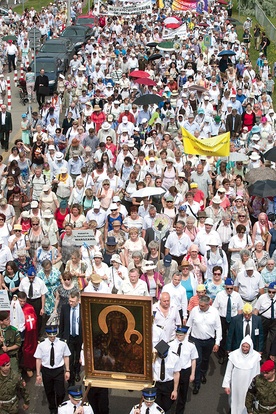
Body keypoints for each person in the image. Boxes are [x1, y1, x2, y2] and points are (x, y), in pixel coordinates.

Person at [186, 295, 222, 394]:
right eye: (199, 305)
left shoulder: (214, 312)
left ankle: (202, 374)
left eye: (202, 306)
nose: (200, 307)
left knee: (205, 359)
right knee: (198, 361)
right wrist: (186, 338)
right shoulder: (194, 310)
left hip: (209, 341)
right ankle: (197, 384)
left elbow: (218, 328)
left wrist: (217, 342)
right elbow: (189, 325)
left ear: (208, 305)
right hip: (196, 340)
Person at [34, 325, 71, 414]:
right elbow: (38, 359)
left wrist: (67, 370)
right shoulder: (41, 344)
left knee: (60, 392)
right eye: (50, 336)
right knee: (49, 391)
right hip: (47, 370)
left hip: (58, 370)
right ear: (46, 334)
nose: (52, 338)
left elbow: (66, 356)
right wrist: (38, 374)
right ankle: (52, 409)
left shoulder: (62, 343)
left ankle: (60, 407)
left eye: (54, 335)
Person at [222, 336, 261, 414]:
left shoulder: (256, 357)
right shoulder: (234, 355)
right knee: (235, 402)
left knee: (247, 403)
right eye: (243, 346)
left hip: (248, 386)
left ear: (250, 347)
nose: (244, 348)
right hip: (236, 385)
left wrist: (258, 387)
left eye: (247, 347)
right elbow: (228, 371)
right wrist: (226, 385)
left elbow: (257, 373)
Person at [213, 278, 244, 364]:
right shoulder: (220, 295)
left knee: (233, 336)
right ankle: (222, 355)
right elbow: (215, 308)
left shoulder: (237, 296)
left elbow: (240, 309)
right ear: (225, 287)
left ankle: (231, 353)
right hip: (222, 318)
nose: (229, 290)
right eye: (228, 288)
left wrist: (239, 320)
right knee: (222, 336)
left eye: (231, 288)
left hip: (233, 318)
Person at [170, 326, 198, 414]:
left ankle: (179, 411)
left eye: (181, 335)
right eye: (177, 334)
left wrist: (192, 374)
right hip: (173, 371)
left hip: (185, 370)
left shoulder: (191, 345)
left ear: (185, 335)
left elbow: (193, 360)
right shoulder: (170, 344)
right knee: (172, 390)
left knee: (183, 393)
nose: (179, 336)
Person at [59, 291, 82, 386]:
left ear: (78, 300)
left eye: (73, 301)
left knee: (78, 357)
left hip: (80, 337)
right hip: (69, 338)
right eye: (69, 300)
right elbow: (62, 324)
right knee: (70, 358)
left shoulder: (82, 308)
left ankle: (77, 371)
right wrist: (60, 338)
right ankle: (71, 379)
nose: (70, 303)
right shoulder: (65, 308)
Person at [152, 340, 181, 413]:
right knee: (156, 406)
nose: (161, 357)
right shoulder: (153, 357)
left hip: (168, 384)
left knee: (166, 406)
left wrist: (175, 390)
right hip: (156, 384)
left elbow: (176, 373)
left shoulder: (174, 357)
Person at [253, 282, 276, 357]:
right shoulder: (262, 297)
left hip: (274, 321)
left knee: (273, 339)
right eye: (269, 292)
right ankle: (261, 354)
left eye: (273, 292)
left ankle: (271, 354)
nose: (271, 294)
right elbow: (256, 310)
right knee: (262, 337)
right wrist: (254, 322)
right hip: (264, 319)